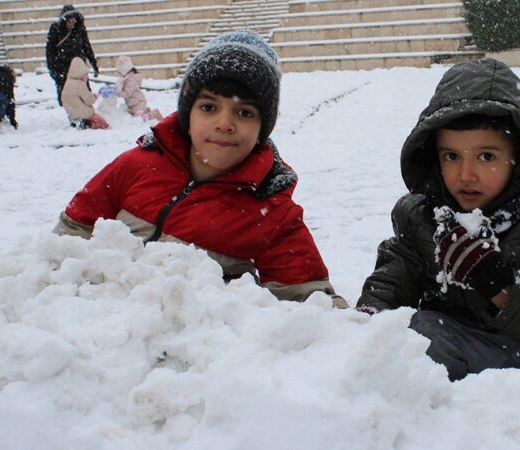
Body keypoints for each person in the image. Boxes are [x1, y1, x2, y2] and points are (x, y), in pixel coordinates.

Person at [356, 58, 520, 396]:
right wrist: (372, 316)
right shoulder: (423, 215)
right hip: (462, 346)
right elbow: (394, 278)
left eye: (486, 157)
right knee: (418, 329)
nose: (466, 174)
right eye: (452, 156)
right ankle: (445, 406)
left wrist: (498, 284)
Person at [53, 30, 346, 307]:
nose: (224, 123)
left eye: (245, 112)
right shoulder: (135, 166)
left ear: (262, 130)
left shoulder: (273, 212)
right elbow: (66, 240)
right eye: (208, 107)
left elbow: (312, 307)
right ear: (187, 115)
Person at [45, 4, 98, 106]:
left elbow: (86, 46)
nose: (73, 22)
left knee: (84, 95)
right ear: (65, 20)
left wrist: (93, 63)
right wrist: (53, 69)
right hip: (63, 68)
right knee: (67, 99)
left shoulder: (80, 28)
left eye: (74, 20)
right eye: (70, 20)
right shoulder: (55, 28)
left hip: (79, 67)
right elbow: (50, 50)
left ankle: (85, 112)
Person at [61, 57, 109, 129]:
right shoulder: (80, 85)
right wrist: (94, 97)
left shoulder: (67, 83)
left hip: (71, 113)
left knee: (78, 115)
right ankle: (89, 124)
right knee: (101, 121)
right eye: (86, 75)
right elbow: (89, 101)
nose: (87, 77)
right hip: (83, 113)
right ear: (80, 74)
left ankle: (77, 122)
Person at [114, 55, 163, 121]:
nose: (119, 74)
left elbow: (127, 93)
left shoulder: (131, 80)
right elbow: (120, 87)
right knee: (135, 118)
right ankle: (146, 111)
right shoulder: (126, 79)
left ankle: (154, 114)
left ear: (124, 71)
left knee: (139, 119)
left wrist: (116, 93)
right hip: (133, 103)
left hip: (138, 103)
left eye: (120, 72)